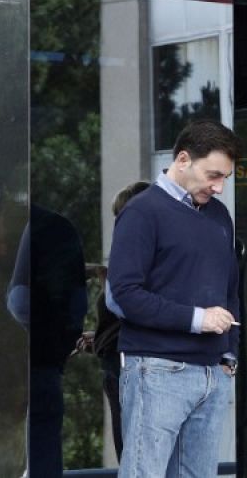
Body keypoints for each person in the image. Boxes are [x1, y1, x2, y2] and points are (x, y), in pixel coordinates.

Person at [108, 120, 242, 478]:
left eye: (225, 178)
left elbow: (230, 288)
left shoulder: (219, 215)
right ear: (183, 159)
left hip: (213, 372)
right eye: (213, 175)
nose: (219, 187)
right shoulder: (141, 212)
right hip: (157, 371)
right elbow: (125, 295)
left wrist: (229, 355)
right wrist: (198, 319)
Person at [8, 204, 88, 478]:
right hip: (45, 358)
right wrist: (62, 341)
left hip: (28, 359)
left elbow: (19, 299)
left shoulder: (33, 226)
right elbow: (77, 303)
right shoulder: (55, 227)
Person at [92, 181, 153, 461]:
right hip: (120, 360)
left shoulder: (143, 253)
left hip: (132, 364)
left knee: (135, 455)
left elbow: (132, 305)